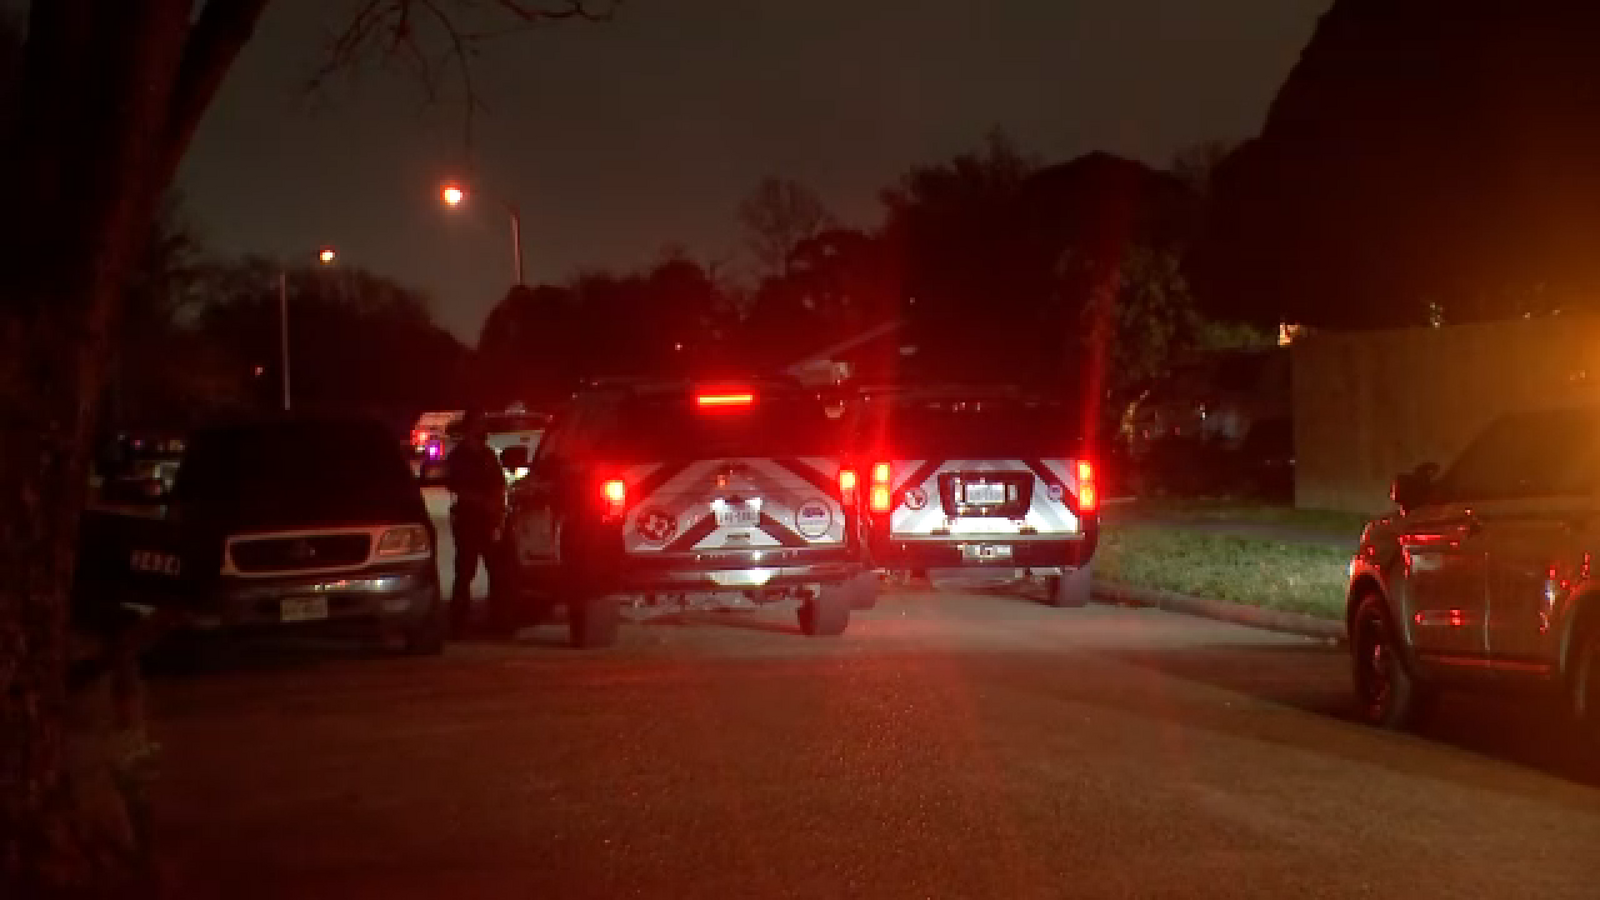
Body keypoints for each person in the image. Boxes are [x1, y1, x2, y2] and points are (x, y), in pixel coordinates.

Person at [445, 409, 509, 637]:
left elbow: (499, 484)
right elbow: (456, 487)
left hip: (488, 521)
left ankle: (499, 623)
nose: (483, 430)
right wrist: (482, 502)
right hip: (468, 520)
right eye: (479, 425)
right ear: (469, 429)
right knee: (465, 571)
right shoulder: (458, 457)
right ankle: (458, 623)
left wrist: (498, 509)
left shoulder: (488, 455)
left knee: (498, 571)